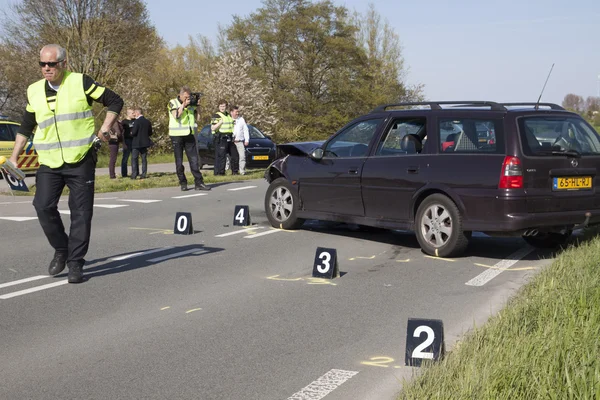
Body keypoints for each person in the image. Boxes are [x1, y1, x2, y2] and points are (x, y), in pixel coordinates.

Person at [8, 44, 123, 283]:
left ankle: (75, 263)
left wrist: (104, 128)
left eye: (52, 64)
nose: (47, 68)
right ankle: (62, 249)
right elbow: (26, 126)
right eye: (43, 64)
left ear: (63, 63)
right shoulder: (34, 90)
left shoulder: (80, 82)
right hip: (49, 161)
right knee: (42, 206)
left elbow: (114, 101)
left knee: (81, 213)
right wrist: (14, 156)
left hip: (80, 158)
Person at [168, 86, 210, 191]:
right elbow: (176, 115)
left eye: (189, 97)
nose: (188, 99)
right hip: (177, 135)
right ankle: (183, 182)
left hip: (189, 135)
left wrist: (198, 106)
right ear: (180, 95)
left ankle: (199, 182)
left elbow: (198, 118)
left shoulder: (191, 104)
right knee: (179, 161)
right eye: (185, 97)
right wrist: (183, 105)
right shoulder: (172, 102)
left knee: (194, 159)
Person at [211, 99, 238, 175]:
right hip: (221, 138)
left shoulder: (228, 115)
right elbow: (213, 128)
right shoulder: (216, 115)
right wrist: (220, 122)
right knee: (221, 156)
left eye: (224, 106)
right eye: (221, 106)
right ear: (218, 107)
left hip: (229, 137)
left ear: (226, 106)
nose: (222, 108)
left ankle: (235, 172)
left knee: (235, 155)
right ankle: (220, 173)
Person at [130, 107, 153, 180]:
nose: (134, 114)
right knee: (144, 159)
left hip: (136, 143)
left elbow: (134, 132)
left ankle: (134, 174)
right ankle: (143, 174)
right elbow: (150, 132)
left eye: (134, 113)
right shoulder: (147, 121)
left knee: (134, 159)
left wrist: (131, 133)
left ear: (137, 113)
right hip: (145, 143)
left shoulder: (136, 122)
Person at [231, 105, 249, 175]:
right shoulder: (229, 119)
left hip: (240, 142)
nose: (237, 113)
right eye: (236, 112)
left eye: (238, 112)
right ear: (231, 112)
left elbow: (245, 130)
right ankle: (233, 171)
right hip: (232, 142)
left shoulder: (241, 120)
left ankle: (242, 171)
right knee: (233, 158)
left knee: (242, 156)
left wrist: (246, 140)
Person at [120, 108, 135, 178]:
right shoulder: (124, 122)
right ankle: (124, 174)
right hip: (127, 141)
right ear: (128, 114)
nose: (134, 114)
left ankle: (135, 172)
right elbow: (121, 133)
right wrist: (123, 143)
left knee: (134, 157)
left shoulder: (135, 121)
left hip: (134, 141)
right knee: (125, 158)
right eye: (132, 113)